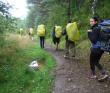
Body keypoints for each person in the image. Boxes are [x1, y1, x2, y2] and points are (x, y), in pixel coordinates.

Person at [88, 17, 108, 81]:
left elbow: (93, 40)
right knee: (96, 61)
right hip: (101, 48)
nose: (91, 23)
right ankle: (104, 74)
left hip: (96, 49)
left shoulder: (95, 29)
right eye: (90, 21)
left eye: (92, 21)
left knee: (92, 61)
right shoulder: (99, 28)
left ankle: (93, 75)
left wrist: (89, 33)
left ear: (96, 22)